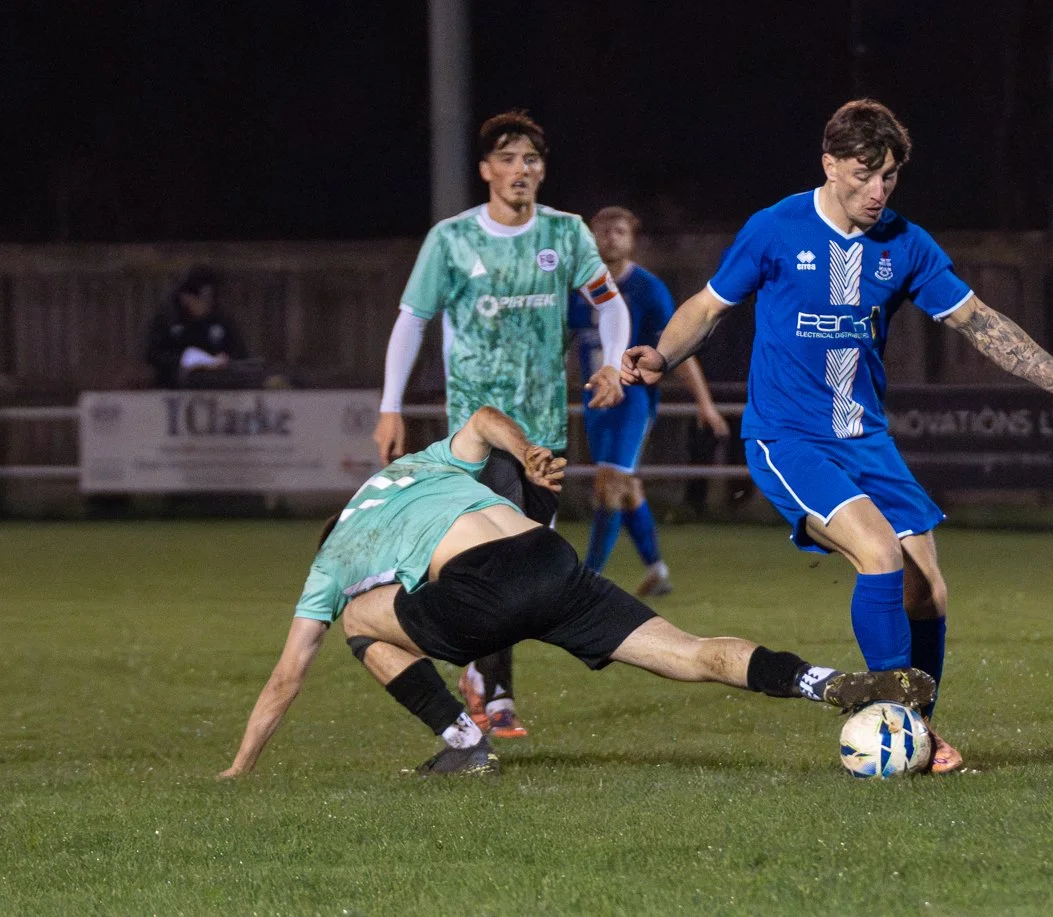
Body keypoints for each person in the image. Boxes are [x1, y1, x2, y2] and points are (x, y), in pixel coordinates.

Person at [621, 99, 1053, 775]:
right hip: (788, 438)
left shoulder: (904, 243)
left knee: (928, 591)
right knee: (880, 553)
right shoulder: (775, 228)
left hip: (865, 439)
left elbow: (977, 320)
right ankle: (897, 724)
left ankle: (918, 726)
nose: (877, 190)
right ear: (830, 164)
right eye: (864, 174)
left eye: (888, 176)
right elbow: (709, 307)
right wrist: (661, 354)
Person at [216, 406, 932, 779]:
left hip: (482, 590)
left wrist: (240, 766)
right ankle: (824, 680)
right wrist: (526, 452)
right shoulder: (412, 467)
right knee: (689, 652)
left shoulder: (334, 557)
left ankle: (463, 742)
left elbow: (286, 677)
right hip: (549, 559)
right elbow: (483, 420)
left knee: (358, 620)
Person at [373, 109, 629, 740]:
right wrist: (390, 405)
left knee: (528, 558)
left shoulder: (565, 233)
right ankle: (500, 693)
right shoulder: (453, 239)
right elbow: (412, 320)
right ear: (486, 170)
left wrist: (614, 362)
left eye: (531, 160)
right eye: (508, 159)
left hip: (543, 431)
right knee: (506, 557)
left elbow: (610, 304)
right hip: (478, 431)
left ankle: (476, 669)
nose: (521, 170)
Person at [569, 205, 730, 595]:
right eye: (604, 230)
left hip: (632, 400)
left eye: (619, 231)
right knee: (625, 486)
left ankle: (586, 581)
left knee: (608, 484)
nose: (611, 237)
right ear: (591, 236)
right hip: (595, 400)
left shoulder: (647, 289)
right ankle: (656, 571)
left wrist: (704, 403)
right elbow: (563, 342)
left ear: (632, 239)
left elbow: (677, 350)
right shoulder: (578, 289)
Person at [144, 266, 249, 388]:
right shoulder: (168, 320)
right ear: (186, 298)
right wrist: (182, 362)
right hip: (174, 386)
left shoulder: (221, 320)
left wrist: (224, 361)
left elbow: (239, 353)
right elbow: (153, 354)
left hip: (219, 386)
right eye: (201, 299)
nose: (206, 304)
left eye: (209, 298)